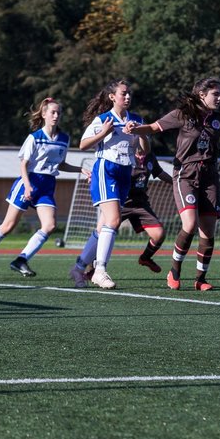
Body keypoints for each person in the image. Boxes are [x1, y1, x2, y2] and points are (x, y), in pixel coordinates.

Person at [129, 77, 220, 292]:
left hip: (210, 178)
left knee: (208, 232)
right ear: (202, 94)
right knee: (189, 225)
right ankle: (174, 271)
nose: (219, 98)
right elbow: (154, 127)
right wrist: (137, 129)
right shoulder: (183, 114)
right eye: (215, 94)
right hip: (185, 175)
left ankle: (200, 279)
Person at [0, 96, 82, 280]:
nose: (56, 115)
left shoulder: (64, 139)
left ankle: (20, 260)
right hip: (29, 181)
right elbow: (23, 165)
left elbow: (60, 164)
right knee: (7, 227)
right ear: (44, 114)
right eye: (53, 112)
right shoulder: (35, 137)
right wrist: (27, 186)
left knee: (49, 225)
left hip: (47, 185)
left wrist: (81, 169)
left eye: (59, 113)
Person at [64, 80, 145, 289]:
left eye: (129, 94)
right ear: (112, 97)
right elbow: (82, 145)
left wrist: (142, 132)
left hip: (125, 172)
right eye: (123, 94)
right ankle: (99, 270)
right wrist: (103, 133)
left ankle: (79, 267)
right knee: (114, 220)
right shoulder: (103, 119)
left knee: (104, 226)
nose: (127, 97)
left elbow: (144, 151)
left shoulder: (136, 119)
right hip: (106, 170)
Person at [70, 143, 173, 287]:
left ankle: (144, 258)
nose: (145, 141)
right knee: (101, 231)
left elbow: (159, 172)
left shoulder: (150, 156)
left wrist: (176, 182)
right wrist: (97, 177)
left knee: (159, 234)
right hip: (118, 199)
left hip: (139, 203)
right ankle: (87, 269)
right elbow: (106, 168)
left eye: (147, 137)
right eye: (142, 137)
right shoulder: (123, 154)